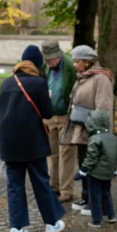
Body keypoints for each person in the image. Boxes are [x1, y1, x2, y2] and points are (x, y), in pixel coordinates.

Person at [0, 45, 65, 232]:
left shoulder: (7, 83)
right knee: (41, 183)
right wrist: (48, 98)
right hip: (33, 143)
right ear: (37, 64)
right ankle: (52, 224)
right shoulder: (39, 83)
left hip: (9, 143)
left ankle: (17, 230)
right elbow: (48, 113)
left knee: (14, 186)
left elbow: (0, 114)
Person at [65, 45, 114, 217]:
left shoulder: (101, 78)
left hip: (94, 132)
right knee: (85, 164)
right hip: (82, 128)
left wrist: (99, 133)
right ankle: (87, 197)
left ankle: (97, 202)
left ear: (87, 62)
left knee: (94, 166)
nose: (74, 65)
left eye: (77, 61)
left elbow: (104, 107)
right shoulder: (84, 77)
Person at [42, 40, 77, 202]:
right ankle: (53, 186)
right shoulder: (45, 67)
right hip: (49, 117)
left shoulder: (70, 65)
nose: (47, 62)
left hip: (66, 116)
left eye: (49, 59)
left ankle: (66, 191)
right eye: (45, 59)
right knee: (51, 153)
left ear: (58, 56)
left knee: (66, 152)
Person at [74, 109, 117, 227]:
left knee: (95, 195)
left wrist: (83, 171)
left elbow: (91, 158)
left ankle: (96, 220)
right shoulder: (113, 138)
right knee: (106, 193)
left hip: (96, 173)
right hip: (108, 172)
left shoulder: (95, 139)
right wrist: (114, 169)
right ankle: (111, 215)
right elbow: (115, 156)